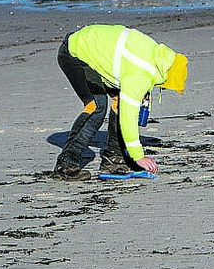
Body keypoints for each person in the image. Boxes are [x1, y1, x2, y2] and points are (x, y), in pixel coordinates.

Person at [54, 24, 188, 180]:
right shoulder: (140, 75)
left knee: (119, 101)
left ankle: (113, 160)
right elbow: (128, 117)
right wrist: (138, 156)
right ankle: (66, 164)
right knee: (96, 106)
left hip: (96, 53)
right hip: (74, 52)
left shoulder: (158, 55)